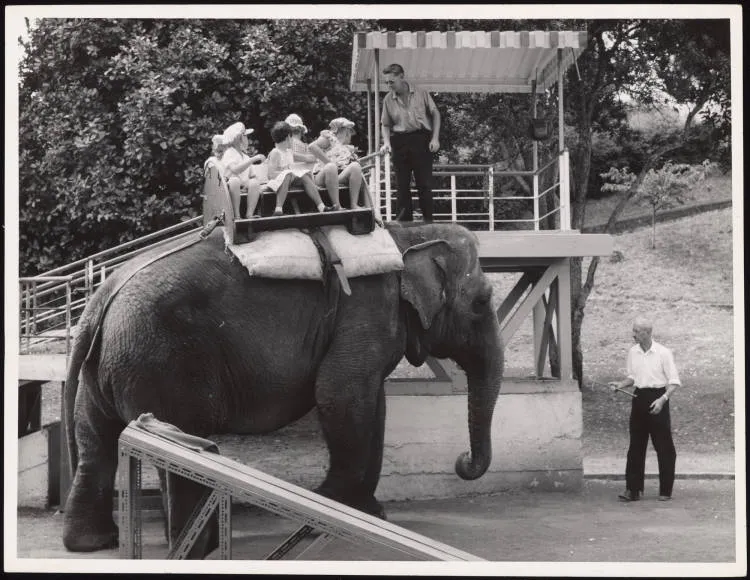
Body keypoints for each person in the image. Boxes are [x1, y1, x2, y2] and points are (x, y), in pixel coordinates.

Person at [608, 317, 680, 503]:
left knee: (664, 447)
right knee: (635, 447)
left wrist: (662, 400)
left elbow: (673, 382)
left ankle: (665, 490)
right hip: (639, 399)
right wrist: (620, 384)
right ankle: (632, 490)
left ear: (647, 332)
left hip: (658, 399)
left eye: (637, 331)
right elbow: (632, 377)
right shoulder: (633, 352)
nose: (633, 334)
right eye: (633, 330)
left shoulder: (663, 353)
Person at [379, 63, 441, 223]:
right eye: (386, 83)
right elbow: (385, 124)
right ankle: (404, 224)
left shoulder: (421, 93)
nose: (389, 85)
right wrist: (386, 143)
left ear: (401, 77)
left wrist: (435, 138)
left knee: (424, 183)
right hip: (399, 142)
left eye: (391, 82)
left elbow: (436, 114)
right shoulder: (388, 99)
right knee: (402, 185)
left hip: (421, 139)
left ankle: (428, 222)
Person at [265, 121, 326, 216]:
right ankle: (278, 208)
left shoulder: (288, 152)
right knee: (288, 174)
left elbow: (306, 158)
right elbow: (270, 174)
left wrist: (321, 156)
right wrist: (285, 173)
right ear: (288, 138)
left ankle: (321, 206)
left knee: (304, 175)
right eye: (291, 137)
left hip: (290, 180)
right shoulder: (275, 152)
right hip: (278, 182)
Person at [284, 113, 342, 211]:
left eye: (297, 131)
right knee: (305, 175)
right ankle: (321, 206)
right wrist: (308, 158)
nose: (294, 134)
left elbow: (314, 159)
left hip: (309, 175)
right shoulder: (287, 144)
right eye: (292, 131)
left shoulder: (304, 145)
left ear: (301, 131)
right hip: (295, 175)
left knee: (328, 168)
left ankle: (329, 205)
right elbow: (287, 156)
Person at [310, 117, 369, 208]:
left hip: (335, 177)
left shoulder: (344, 146)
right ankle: (337, 205)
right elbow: (312, 147)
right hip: (322, 175)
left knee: (355, 166)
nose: (350, 134)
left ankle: (354, 204)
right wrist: (328, 162)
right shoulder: (329, 138)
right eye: (349, 131)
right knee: (331, 167)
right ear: (344, 131)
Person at [220, 122, 266, 219]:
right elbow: (235, 170)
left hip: (243, 185)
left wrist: (255, 183)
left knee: (254, 182)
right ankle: (236, 215)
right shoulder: (229, 153)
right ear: (238, 138)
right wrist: (253, 159)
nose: (247, 139)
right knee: (235, 180)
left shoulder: (245, 156)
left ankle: (249, 214)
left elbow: (252, 175)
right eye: (245, 136)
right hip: (229, 186)